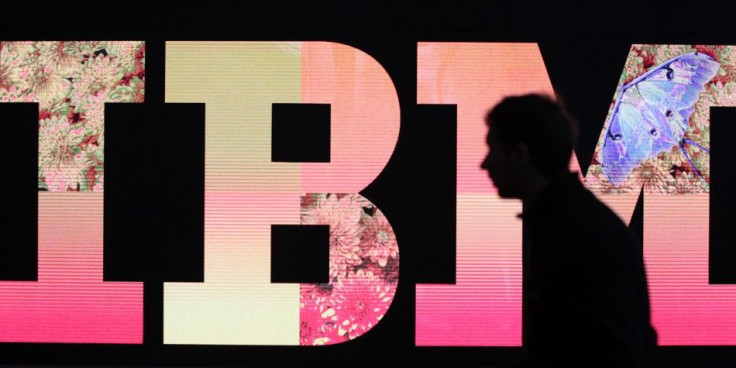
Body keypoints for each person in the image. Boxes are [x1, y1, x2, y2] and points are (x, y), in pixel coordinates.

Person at [481, 94, 658, 368]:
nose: (485, 164)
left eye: (493, 149)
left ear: (521, 154)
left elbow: (615, 350)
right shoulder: (575, 223)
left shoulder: (578, 233)